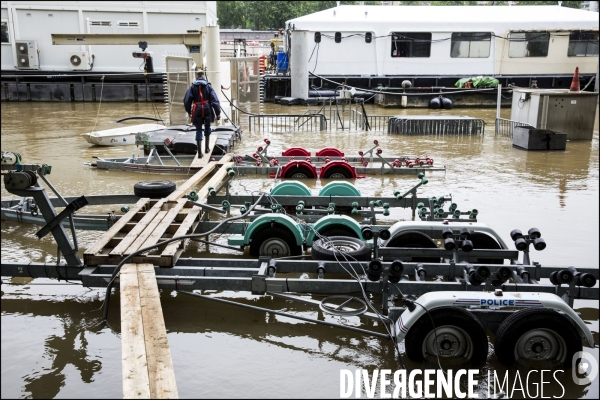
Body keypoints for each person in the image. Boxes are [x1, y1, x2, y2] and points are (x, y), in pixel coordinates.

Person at [184, 71, 221, 158]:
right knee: (207, 127)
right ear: (204, 77)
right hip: (207, 108)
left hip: (197, 109)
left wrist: (189, 111)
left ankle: (199, 153)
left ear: (197, 77)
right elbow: (215, 100)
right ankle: (207, 148)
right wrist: (218, 113)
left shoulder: (192, 87)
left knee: (198, 130)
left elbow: (186, 100)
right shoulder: (208, 86)